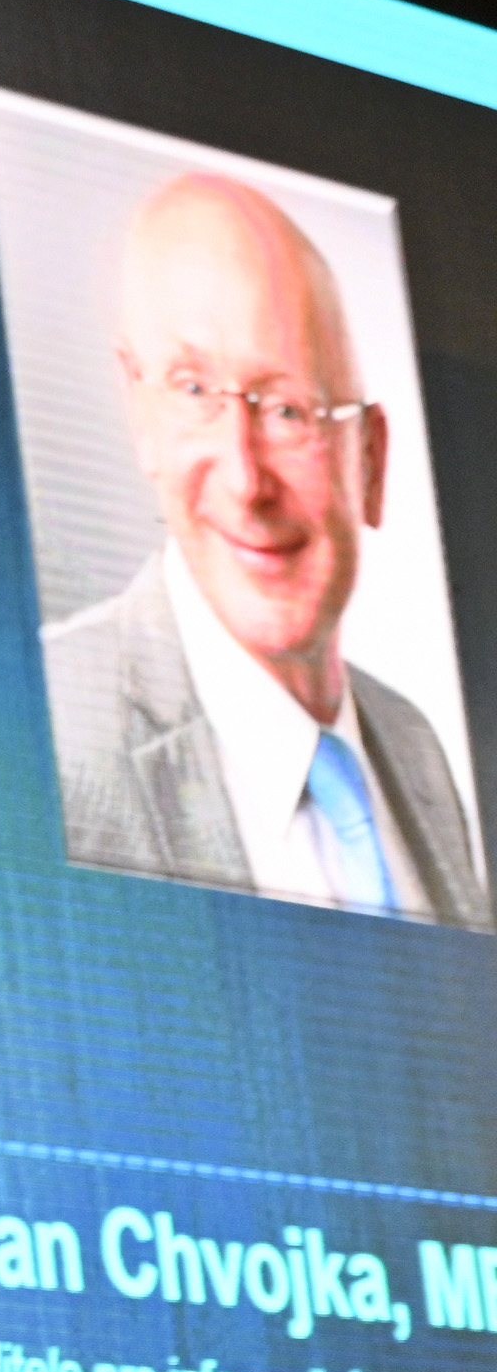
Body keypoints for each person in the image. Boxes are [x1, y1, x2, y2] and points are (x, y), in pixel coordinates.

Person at [44, 171, 488, 927]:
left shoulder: (416, 747)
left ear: (370, 459)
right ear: (139, 410)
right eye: (193, 391)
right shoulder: (51, 728)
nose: (246, 479)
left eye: (288, 410)